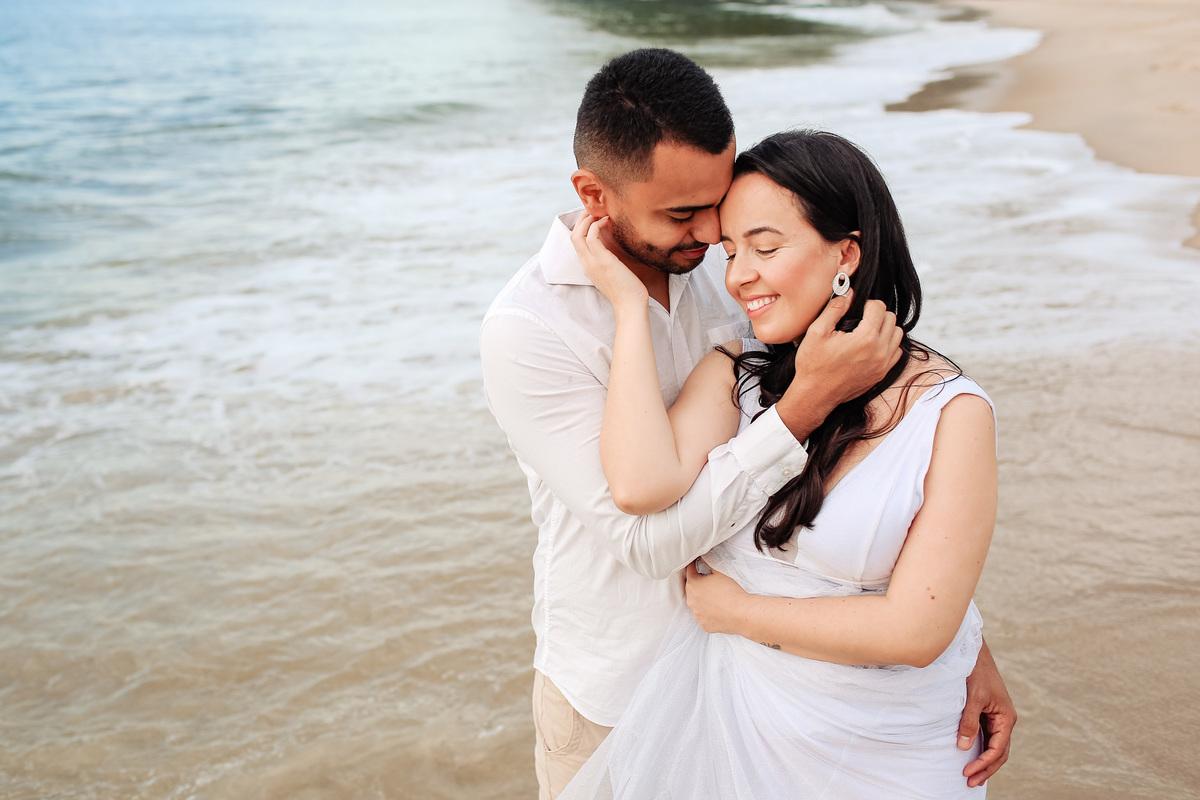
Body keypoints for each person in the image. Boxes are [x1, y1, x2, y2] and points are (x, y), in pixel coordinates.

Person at [479, 49, 1015, 800]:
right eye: (683, 214)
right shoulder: (531, 331)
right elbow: (646, 539)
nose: (712, 238)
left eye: (721, 208)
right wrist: (800, 407)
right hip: (619, 690)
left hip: (770, 685)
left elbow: (883, 482)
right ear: (594, 195)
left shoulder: (730, 264)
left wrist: (963, 640)